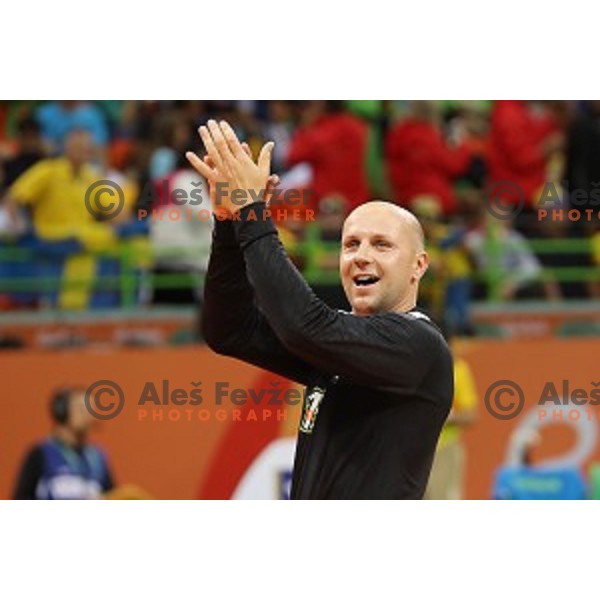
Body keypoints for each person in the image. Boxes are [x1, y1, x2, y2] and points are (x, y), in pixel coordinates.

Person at [187, 120, 453, 500]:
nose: (361, 256)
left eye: (381, 245)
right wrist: (229, 224)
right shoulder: (336, 343)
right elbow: (230, 331)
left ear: (419, 266)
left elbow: (303, 327)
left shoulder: (419, 345)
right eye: (351, 244)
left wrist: (251, 211)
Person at [13, 387, 115, 500]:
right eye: (81, 408)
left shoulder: (97, 458)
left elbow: (111, 496)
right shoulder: (41, 454)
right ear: (62, 411)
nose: (88, 414)